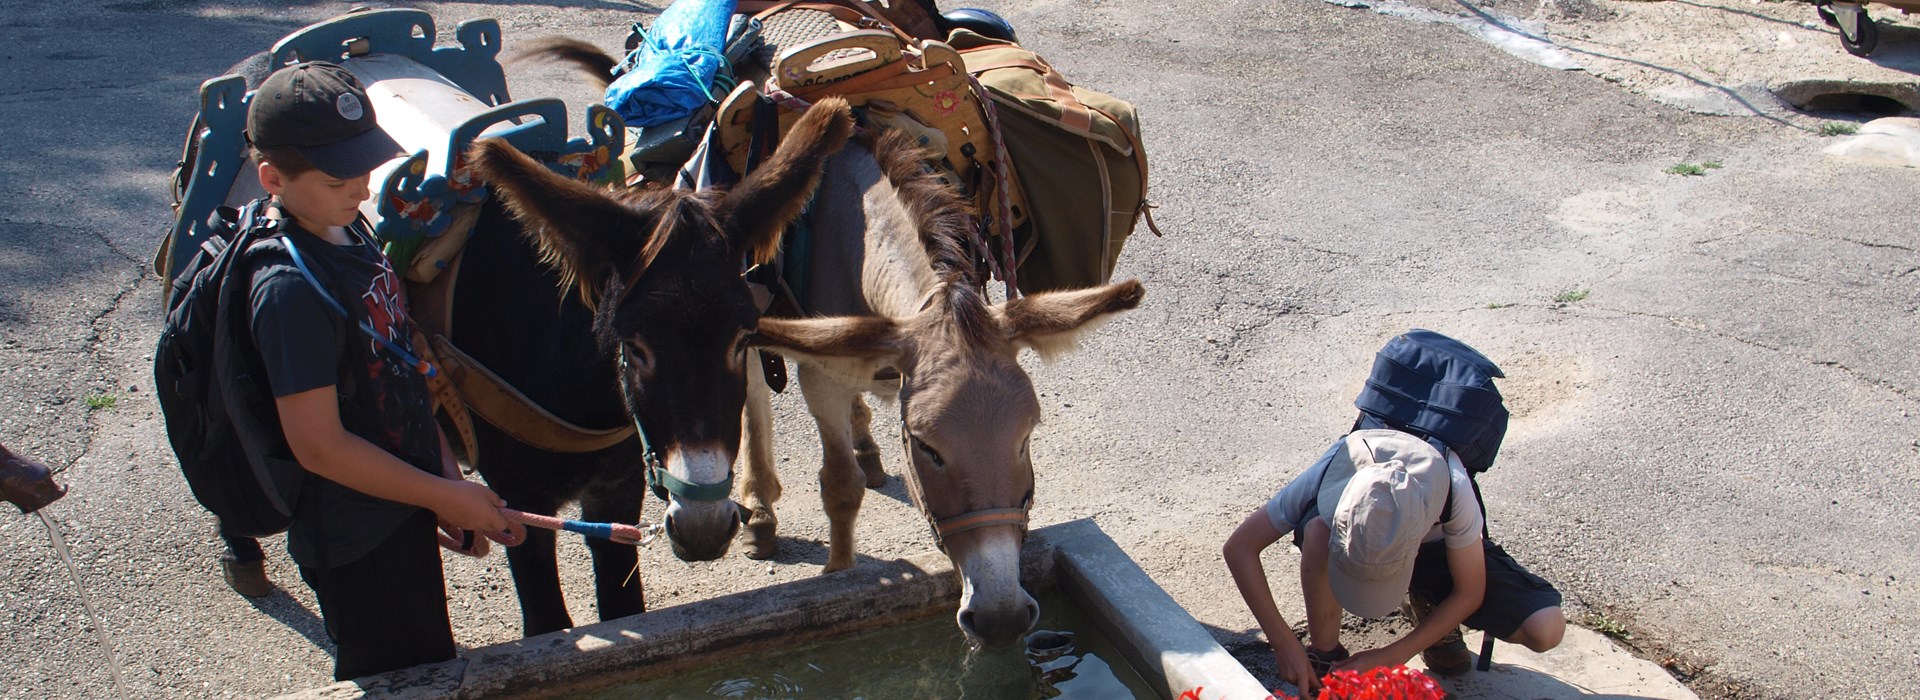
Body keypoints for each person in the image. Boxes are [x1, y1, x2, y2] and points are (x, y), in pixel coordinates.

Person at [238, 61, 519, 680]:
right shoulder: (288, 291)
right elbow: (320, 446)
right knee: (397, 675)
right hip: (354, 538)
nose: (362, 188)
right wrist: (445, 495)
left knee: (428, 657)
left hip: (400, 505)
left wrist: (448, 486)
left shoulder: (348, 231)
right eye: (339, 175)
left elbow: (404, 369)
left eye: (364, 165)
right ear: (272, 178)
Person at [1222, 429, 1565, 694]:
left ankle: (1427, 604)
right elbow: (1240, 548)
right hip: (1346, 538)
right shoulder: (1342, 461)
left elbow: (1470, 590)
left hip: (1438, 552)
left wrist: (1394, 654)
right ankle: (1325, 655)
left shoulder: (1450, 486)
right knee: (1316, 532)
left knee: (1545, 628)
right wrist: (1285, 645)